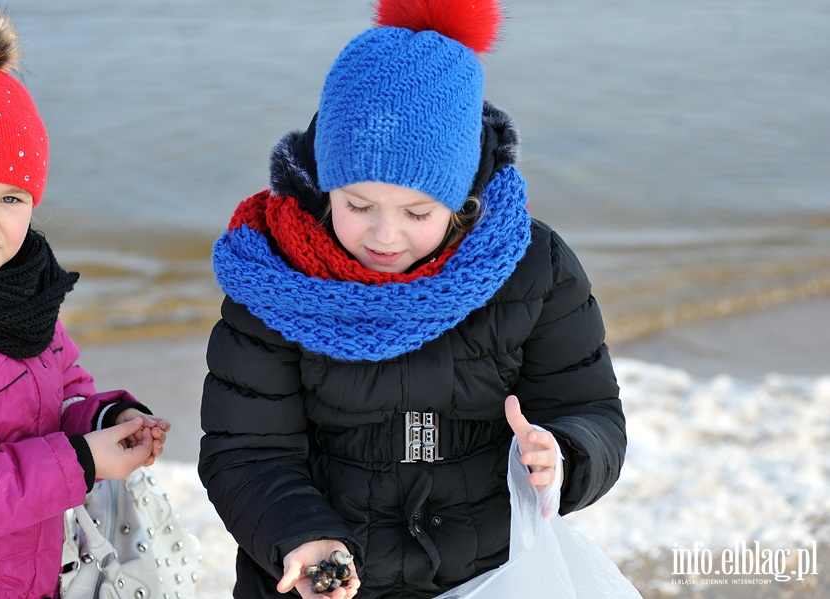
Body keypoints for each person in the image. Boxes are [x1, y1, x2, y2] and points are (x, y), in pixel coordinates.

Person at [199, 0, 626, 597]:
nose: (385, 235)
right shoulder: (273, 277)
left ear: (461, 199)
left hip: (490, 572)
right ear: (324, 184)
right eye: (357, 204)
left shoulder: (531, 267)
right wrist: (304, 538)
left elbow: (592, 409)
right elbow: (247, 450)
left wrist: (566, 456)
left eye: (418, 212)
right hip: (321, 577)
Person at [0, 4, 171, 597]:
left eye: (12, 198)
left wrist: (108, 420)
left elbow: (63, 397)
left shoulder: (28, 295)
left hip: (34, 574)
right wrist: (83, 463)